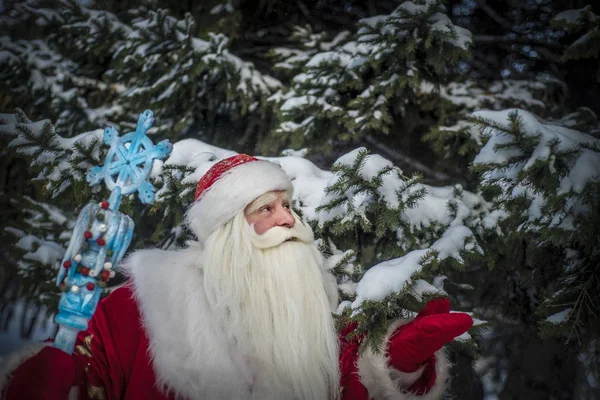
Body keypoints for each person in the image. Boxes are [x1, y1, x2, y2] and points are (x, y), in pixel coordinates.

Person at [2, 154, 472, 400]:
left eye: (287, 206)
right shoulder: (141, 307)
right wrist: (50, 380)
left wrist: (399, 364)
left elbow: (349, 388)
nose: (288, 221)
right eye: (266, 209)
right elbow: (90, 377)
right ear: (229, 233)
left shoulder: (314, 312)